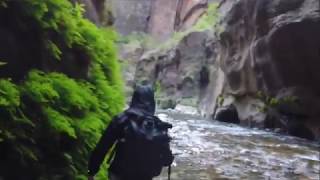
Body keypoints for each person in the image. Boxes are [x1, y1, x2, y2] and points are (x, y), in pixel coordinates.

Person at [88, 84, 174, 180]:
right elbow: (167, 160)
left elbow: (102, 147)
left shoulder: (122, 119)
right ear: (152, 102)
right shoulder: (158, 125)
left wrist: (92, 171)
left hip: (118, 174)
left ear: (134, 99)